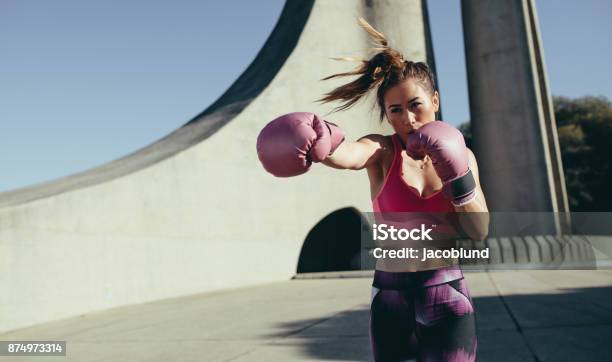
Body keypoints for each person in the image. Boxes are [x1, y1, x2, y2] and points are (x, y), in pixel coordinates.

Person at [257, 18, 488, 362]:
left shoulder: (462, 154)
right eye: (396, 110)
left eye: (416, 105)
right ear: (387, 115)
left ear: (435, 100)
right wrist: (325, 140)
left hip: (446, 290)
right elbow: (350, 154)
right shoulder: (382, 152)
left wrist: (458, 176)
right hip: (391, 296)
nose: (407, 118)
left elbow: (479, 230)